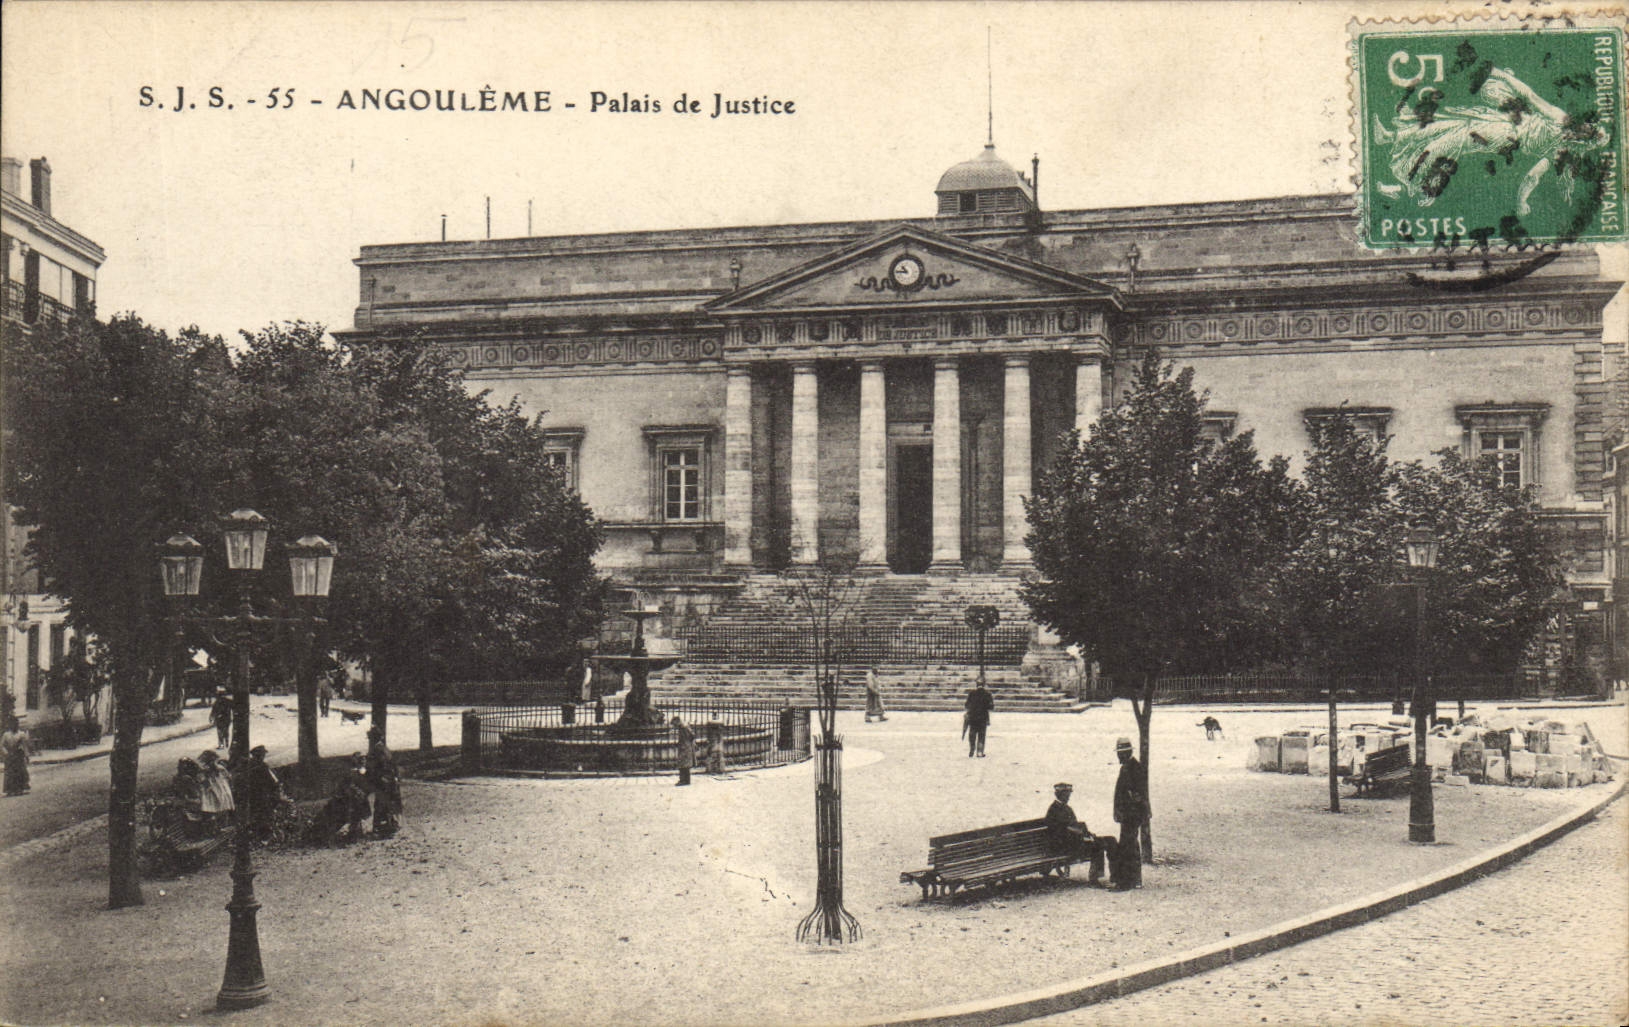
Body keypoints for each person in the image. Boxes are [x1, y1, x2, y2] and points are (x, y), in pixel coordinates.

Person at [1044, 782, 1115, 887]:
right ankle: (1093, 879)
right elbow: (1058, 832)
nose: (1068, 797)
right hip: (1064, 846)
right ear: (1058, 795)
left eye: (1068, 794)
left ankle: (1116, 874)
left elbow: (1075, 825)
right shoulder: (1053, 810)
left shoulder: (1066, 808)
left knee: (1111, 840)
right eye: (1066, 794)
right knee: (1097, 846)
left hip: (1074, 841)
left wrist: (1088, 834)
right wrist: (1082, 836)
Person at [1111, 738, 1148, 890]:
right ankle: (1134, 879)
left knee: (1127, 846)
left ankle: (1126, 881)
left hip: (1131, 816)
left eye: (1121, 753)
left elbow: (1136, 795)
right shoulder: (1130, 767)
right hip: (1129, 815)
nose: (1118, 756)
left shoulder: (1132, 768)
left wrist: (1125, 810)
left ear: (1127, 753)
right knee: (1131, 845)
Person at [243, 744, 287, 840]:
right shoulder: (262, 766)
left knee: (255, 813)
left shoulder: (249, 765)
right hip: (262, 793)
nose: (263, 756)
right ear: (260, 755)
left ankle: (256, 833)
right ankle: (265, 835)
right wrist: (276, 787)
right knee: (265, 813)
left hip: (252, 794)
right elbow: (272, 780)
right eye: (262, 754)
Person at [366, 726, 401, 838]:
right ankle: (389, 827)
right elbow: (393, 765)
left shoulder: (377, 750)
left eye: (370, 737)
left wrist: (374, 778)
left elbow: (377, 767)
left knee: (380, 805)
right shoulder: (385, 749)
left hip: (383, 781)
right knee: (387, 804)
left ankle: (381, 829)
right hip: (389, 781)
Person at [196, 749, 235, 823]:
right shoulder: (204, 771)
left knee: (223, 801)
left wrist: (229, 783)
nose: (212, 763)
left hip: (222, 788)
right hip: (212, 789)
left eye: (213, 761)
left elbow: (228, 777)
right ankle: (216, 819)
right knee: (213, 803)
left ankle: (224, 819)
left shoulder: (220, 768)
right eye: (209, 761)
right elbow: (202, 781)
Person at [2, 716, 31, 796]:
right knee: (10, 773)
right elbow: (2, 746)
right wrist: (6, 753)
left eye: (16, 723)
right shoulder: (6, 735)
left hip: (18, 755)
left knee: (20, 772)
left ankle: (20, 788)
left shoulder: (21, 734)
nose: (14, 725)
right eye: (12, 724)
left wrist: (27, 756)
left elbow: (25, 746)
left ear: (18, 724)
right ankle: (10, 789)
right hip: (9, 756)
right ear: (9, 725)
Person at [964, 680, 994, 757]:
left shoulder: (972, 693)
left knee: (972, 733)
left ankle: (972, 748)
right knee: (981, 734)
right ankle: (979, 752)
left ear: (976, 685)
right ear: (984, 685)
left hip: (973, 717)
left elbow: (967, 705)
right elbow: (991, 707)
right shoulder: (987, 694)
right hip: (983, 717)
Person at [671, 714, 694, 786]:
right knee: (685, 764)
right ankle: (687, 780)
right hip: (685, 746)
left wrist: (686, 742)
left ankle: (683, 780)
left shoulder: (683, 727)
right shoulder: (683, 726)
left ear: (677, 721)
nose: (674, 726)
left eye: (674, 724)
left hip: (685, 747)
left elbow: (692, 735)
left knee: (682, 764)